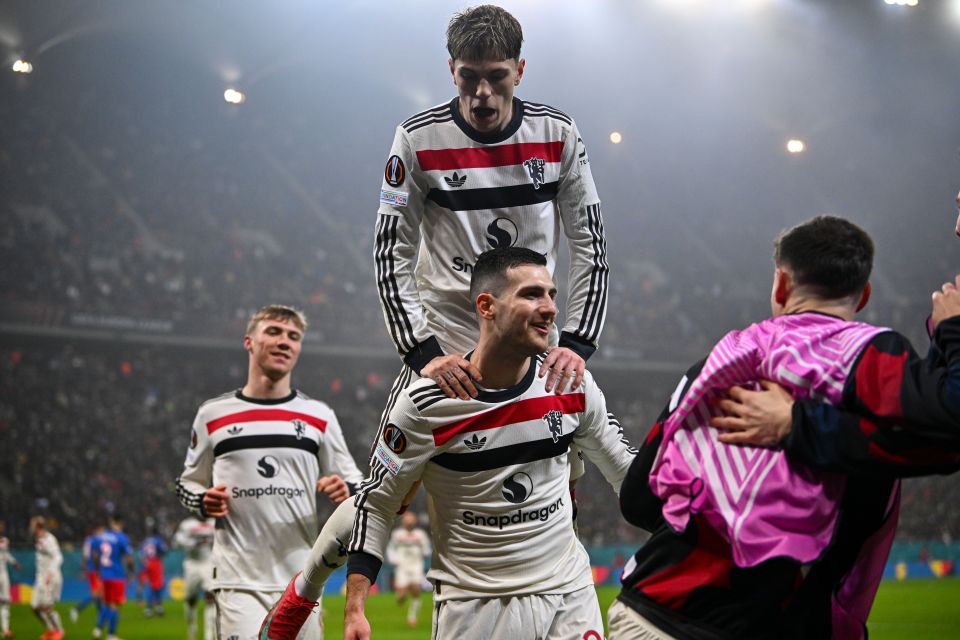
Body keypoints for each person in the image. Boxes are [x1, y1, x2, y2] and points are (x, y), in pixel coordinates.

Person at [261, 6, 611, 636]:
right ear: (451, 70)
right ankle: (304, 591)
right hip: (449, 348)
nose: (481, 94)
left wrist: (579, 341)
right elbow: (388, 248)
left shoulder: (559, 135)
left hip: (534, 336)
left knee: (564, 470)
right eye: (468, 77)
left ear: (520, 70)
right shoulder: (416, 140)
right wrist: (422, 353)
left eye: (497, 77)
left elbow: (589, 240)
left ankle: (561, 592)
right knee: (384, 486)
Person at [611, 216, 960, 640]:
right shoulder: (870, 357)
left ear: (780, 285)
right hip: (767, 621)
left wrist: (715, 524)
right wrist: (951, 332)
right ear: (864, 295)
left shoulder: (712, 366)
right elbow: (946, 427)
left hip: (647, 613)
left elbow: (638, 498)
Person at [343, 247, 634, 640]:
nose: (549, 308)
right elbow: (377, 502)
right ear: (487, 306)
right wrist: (355, 608)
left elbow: (628, 474)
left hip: (570, 595)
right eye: (531, 294)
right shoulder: (425, 406)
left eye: (552, 294)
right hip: (475, 607)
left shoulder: (571, 383)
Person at [175, 304, 364, 640]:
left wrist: (345, 488)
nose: (284, 342)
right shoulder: (213, 414)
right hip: (237, 581)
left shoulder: (318, 415)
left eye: (293, 336)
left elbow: (359, 487)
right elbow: (187, 484)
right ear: (249, 341)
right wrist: (204, 500)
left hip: (302, 580)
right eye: (273, 332)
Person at [173, 515, 216, 640]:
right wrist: (195, 542)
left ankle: (209, 635)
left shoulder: (214, 522)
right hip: (192, 564)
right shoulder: (187, 524)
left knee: (210, 597)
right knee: (191, 600)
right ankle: (192, 630)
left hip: (208, 562)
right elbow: (177, 542)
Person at [385, 511, 431, 627]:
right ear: (403, 521)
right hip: (402, 566)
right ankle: (400, 597)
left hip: (416, 566)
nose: (409, 522)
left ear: (414, 521)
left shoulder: (420, 534)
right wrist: (393, 559)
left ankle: (412, 617)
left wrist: (424, 553)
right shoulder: (397, 534)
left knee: (416, 590)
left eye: (411, 519)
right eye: (407, 519)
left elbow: (426, 550)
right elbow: (391, 548)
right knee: (402, 596)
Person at [92, 514, 134, 640]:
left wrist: (98, 571)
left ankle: (98, 629)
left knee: (106, 602)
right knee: (115, 605)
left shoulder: (101, 537)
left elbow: (94, 555)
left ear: (111, 522)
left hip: (104, 575)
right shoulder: (122, 538)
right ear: (120, 523)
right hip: (116, 575)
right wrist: (131, 572)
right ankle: (111, 634)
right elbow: (129, 557)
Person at [30, 516, 63, 640]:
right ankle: (51, 630)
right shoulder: (39, 539)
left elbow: (58, 557)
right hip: (40, 578)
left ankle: (59, 631)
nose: (30, 527)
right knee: (35, 607)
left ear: (37, 526)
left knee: (47, 607)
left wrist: (50, 573)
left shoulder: (49, 539)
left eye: (32, 525)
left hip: (50, 578)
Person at [70, 524, 105, 625]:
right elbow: (94, 556)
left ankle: (100, 615)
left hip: (91, 570)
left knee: (99, 594)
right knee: (96, 594)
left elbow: (85, 556)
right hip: (96, 570)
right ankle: (76, 609)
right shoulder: (96, 541)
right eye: (102, 530)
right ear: (98, 530)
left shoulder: (88, 540)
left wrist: (83, 569)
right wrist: (98, 571)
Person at [138, 527, 167, 617]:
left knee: (151, 585)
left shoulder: (146, 541)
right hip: (155, 563)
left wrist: (145, 563)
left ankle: (151, 608)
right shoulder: (158, 540)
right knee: (157, 585)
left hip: (146, 563)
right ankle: (155, 608)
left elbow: (141, 553)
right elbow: (164, 550)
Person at [0, 520, 21, 640]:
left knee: (6, 602)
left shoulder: (5, 541)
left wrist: (14, 563)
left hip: (3, 574)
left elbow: (5, 554)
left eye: (2, 526)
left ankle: (6, 630)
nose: (1, 527)